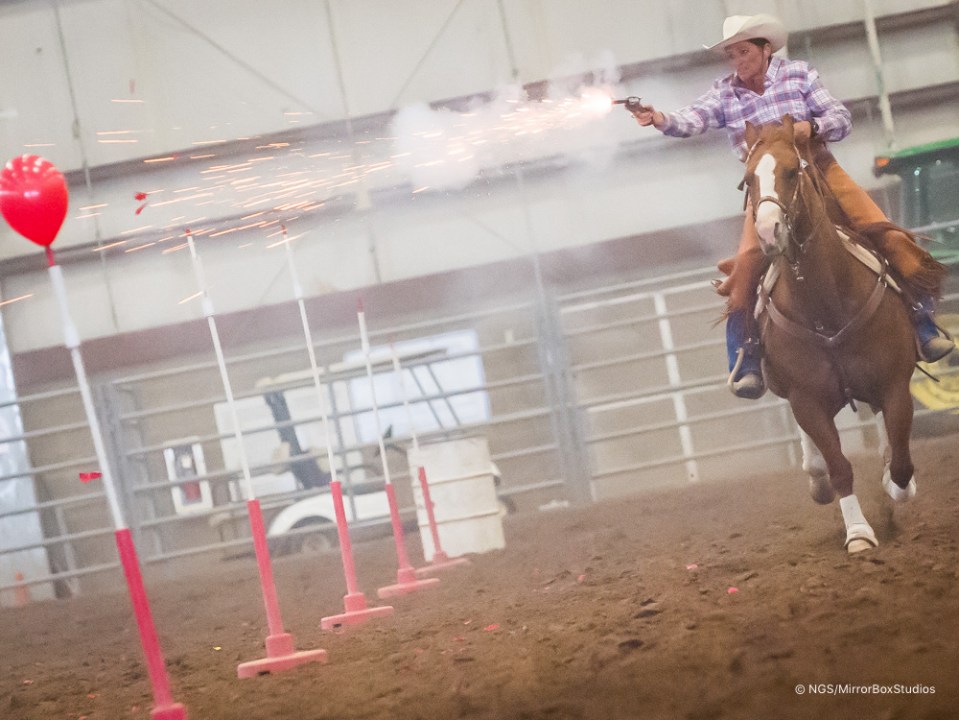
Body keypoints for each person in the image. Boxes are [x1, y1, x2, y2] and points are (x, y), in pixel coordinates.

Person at [628, 14, 954, 399]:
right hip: (768, 187)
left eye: (744, 51)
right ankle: (746, 357)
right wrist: (659, 118)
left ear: (765, 49)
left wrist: (812, 128)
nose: (738, 60)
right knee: (745, 266)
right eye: (732, 54)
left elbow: (840, 118)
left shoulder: (798, 75)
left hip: (819, 169)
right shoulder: (724, 93)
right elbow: (692, 119)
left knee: (888, 235)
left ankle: (922, 323)